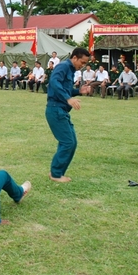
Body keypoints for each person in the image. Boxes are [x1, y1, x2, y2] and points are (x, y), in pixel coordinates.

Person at [45, 47, 90, 183]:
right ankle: (56, 174)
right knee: (67, 142)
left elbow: (66, 88)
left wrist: (77, 92)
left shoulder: (70, 70)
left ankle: (58, 172)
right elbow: (54, 82)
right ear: (74, 57)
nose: (82, 66)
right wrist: (68, 98)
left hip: (61, 111)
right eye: (82, 63)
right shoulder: (63, 66)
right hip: (55, 109)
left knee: (72, 142)